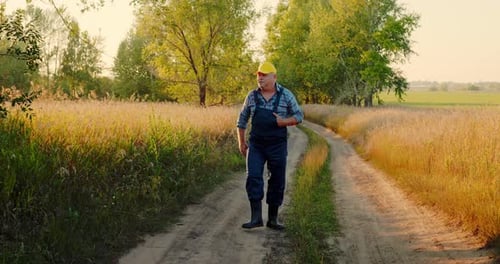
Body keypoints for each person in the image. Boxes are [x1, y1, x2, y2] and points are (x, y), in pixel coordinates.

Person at [236, 61, 304, 230]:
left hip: (277, 145)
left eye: (264, 75)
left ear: (274, 77)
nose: (260, 78)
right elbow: (242, 120)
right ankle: (256, 218)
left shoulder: (286, 95)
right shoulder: (251, 96)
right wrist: (241, 142)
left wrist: (284, 122)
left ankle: (273, 220)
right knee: (253, 177)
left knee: (277, 181)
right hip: (256, 145)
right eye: (259, 75)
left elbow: (299, 116)